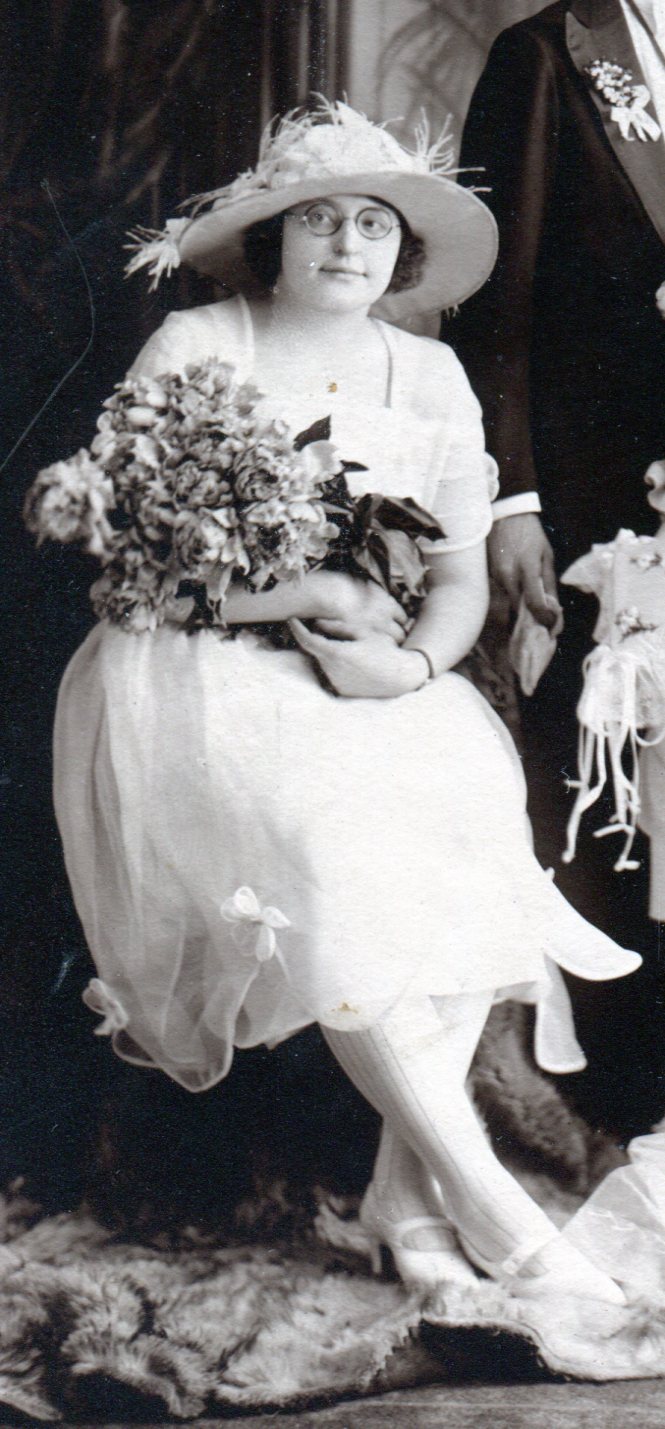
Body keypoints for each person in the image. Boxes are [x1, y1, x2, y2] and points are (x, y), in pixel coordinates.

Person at [45, 100, 639, 1308]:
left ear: (400, 252)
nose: (347, 246)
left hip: (372, 673)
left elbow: (463, 577)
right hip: (199, 671)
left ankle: (402, 1204)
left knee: (468, 823)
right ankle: (499, 1215)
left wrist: (409, 666)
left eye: (373, 226)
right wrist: (313, 593)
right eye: (318, 221)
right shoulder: (202, 344)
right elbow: (137, 564)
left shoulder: (425, 371)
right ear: (273, 237)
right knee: (329, 850)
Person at [450, 0, 665, 1128]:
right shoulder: (544, 55)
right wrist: (513, 495)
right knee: (602, 768)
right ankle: (619, 1091)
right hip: (593, 488)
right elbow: (498, 298)